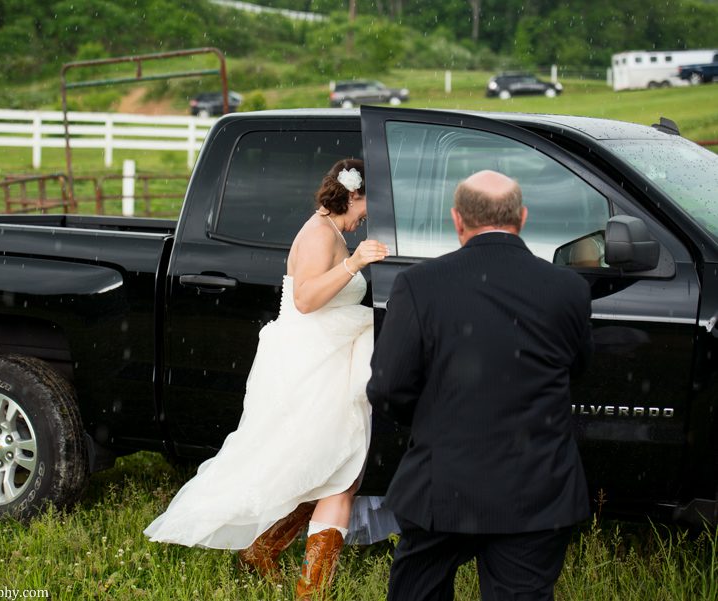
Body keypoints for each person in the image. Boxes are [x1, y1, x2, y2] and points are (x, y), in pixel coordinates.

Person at [144, 158, 392, 598]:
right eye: (368, 205)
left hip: (328, 359)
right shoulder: (320, 234)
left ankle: (264, 551)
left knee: (332, 468)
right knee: (337, 472)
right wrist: (354, 263)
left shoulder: (331, 231)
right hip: (313, 364)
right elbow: (305, 300)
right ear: (353, 194)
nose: (368, 216)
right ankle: (307, 589)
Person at [367, 170, 593, 601]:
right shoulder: (568, 288)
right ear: (522, 217)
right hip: (536, 487)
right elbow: (577, 368)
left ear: (457, 219)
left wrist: (436, 420)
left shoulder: (420, 284)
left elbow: (387, 387)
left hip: (443, 483)